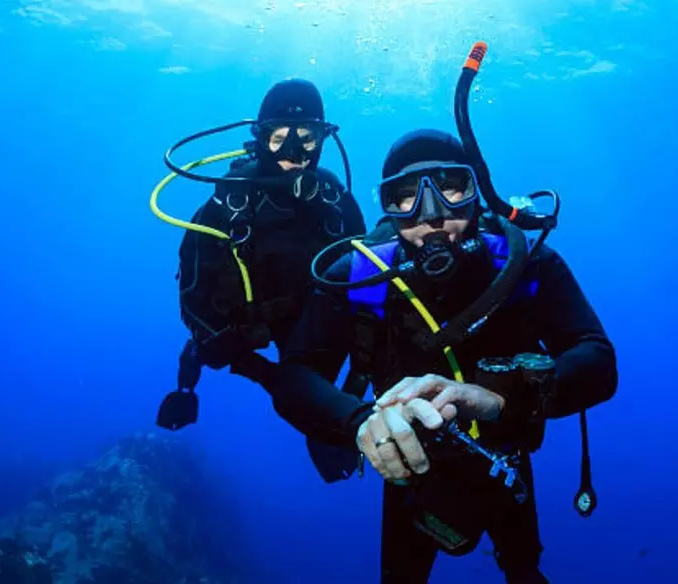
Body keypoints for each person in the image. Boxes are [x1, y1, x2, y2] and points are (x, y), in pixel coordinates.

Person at [258, 128, 618, 583]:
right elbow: (294, 376)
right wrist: (359, 422)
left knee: (524, 568)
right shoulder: (359, 275)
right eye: (405, 196)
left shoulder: (524, 264)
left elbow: (598, 360)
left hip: (504, 454)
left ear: (476, 192)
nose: (431, 214)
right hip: (410, 463)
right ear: (387, 207)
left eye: (450, 187)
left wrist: (502, 399)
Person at [152, 78, 367, 482]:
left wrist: (353, 386)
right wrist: (253, 365)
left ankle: (339, 418)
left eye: (307, 138)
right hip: (243, 327)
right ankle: (196, 378)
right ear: (260, 137)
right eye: (279, 138)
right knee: (220, 354)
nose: (293, 153)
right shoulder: (227, 205)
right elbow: (192, 293)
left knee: (335, 366)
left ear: (323, 139)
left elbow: (367, 280)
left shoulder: (335, 202)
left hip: (309, 318)